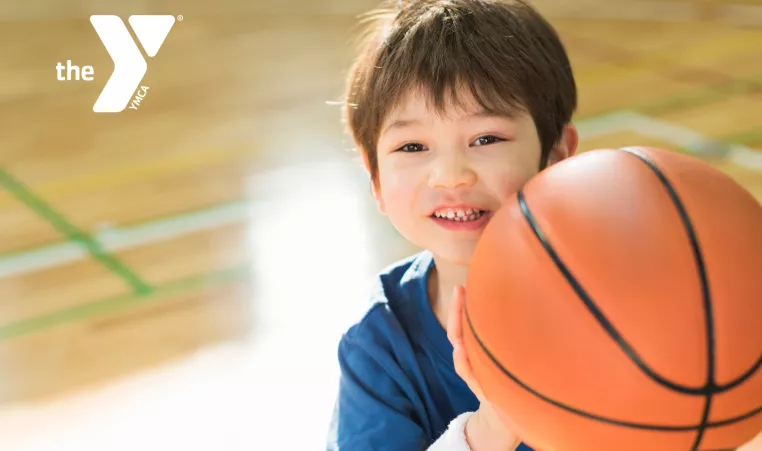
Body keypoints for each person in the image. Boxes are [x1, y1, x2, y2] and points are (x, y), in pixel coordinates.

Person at [326, 0, 579, 449]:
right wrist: (491, 428)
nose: (450, 175)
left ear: (556, 155)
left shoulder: (615, 295)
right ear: (376, 179)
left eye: (486, 138)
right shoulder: (379, 346)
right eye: (412, 146)